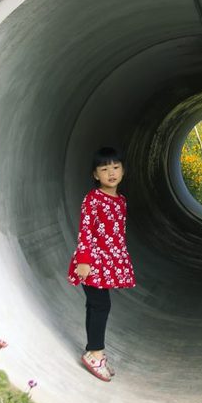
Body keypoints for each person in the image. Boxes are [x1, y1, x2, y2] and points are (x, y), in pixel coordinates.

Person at [67, 147, 136, 381]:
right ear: (96, 175)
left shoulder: (121, 200)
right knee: (101, 305)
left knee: (95, 305)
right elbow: (85, 230)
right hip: (93, 262)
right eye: (104, 169)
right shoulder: (93, 199)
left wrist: (119, 261)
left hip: (108, 262)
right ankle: (96, 354)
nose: (111, 173)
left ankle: (92, 350)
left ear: (123, 170)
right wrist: (84, 261)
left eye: (116, 167)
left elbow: (118, 234)